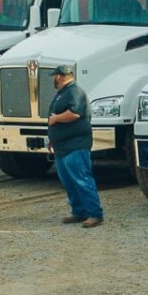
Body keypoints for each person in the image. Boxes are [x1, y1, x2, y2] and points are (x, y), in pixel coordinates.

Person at [44, 65, 102, 227]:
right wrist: (53, 138)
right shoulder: (63, 93)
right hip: (62, 146)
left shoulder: (73, 91)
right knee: (69, 181)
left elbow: (74, 113)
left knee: (81, 179)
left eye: (53, 76)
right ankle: (79, 211)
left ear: (59, 77)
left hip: (75, 145)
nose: (52, 79)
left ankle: (94, 214)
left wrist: (55, 120)